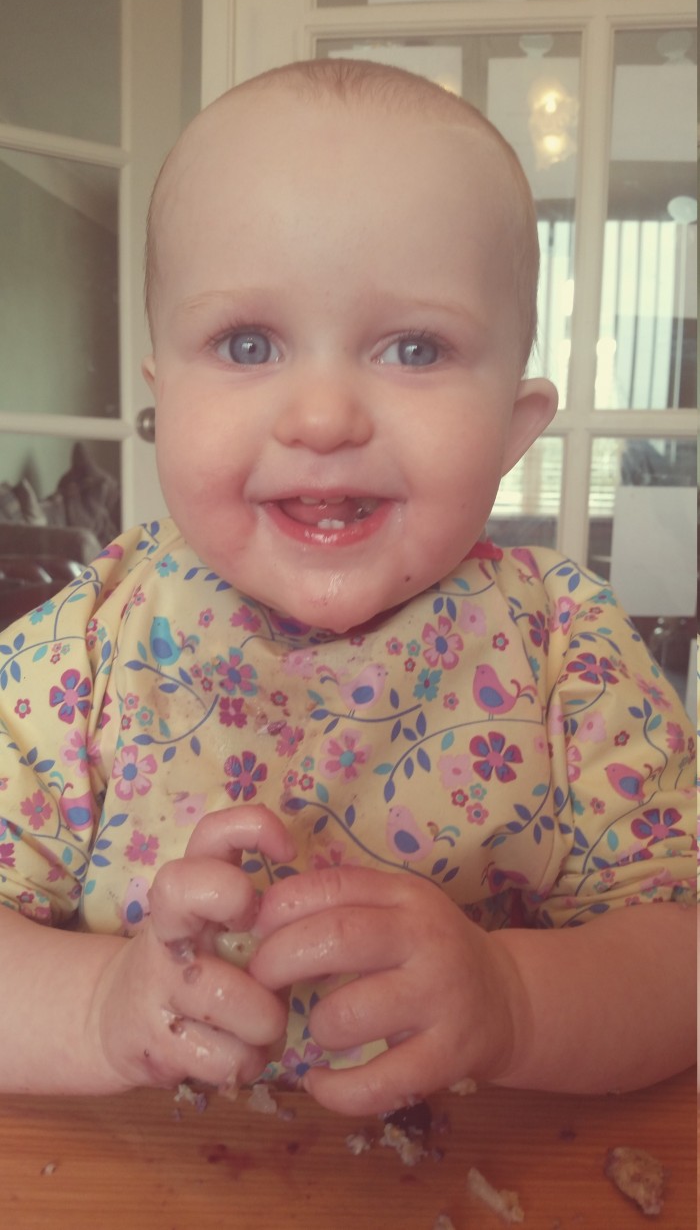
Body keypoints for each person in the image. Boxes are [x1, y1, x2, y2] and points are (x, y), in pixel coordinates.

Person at [0, 59, 694, 1116]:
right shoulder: (79, 656)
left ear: (514, 428)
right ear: (162, 395)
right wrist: (100, 1003)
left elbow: (679, 955)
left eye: (414, 347)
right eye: (246, 343)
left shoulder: (569, 658)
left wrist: (515, 996)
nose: (323, 416)